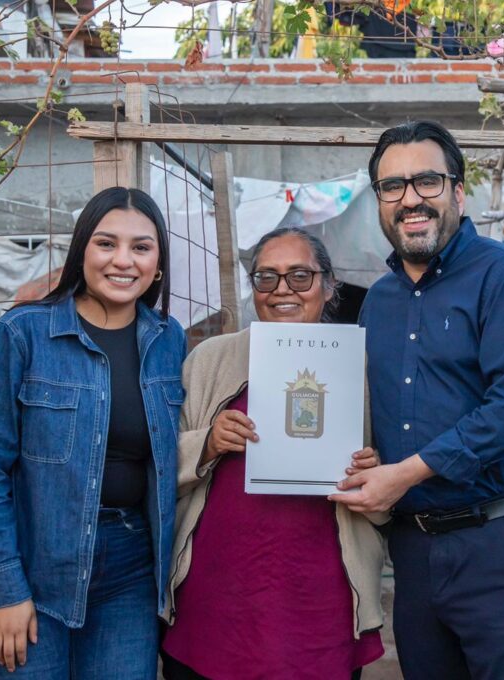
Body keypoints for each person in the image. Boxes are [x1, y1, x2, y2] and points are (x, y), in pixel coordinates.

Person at [331, 121, 504, 679]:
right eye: (392, 186)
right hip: (417, 553)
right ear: (379, 201)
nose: (410, 199)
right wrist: (372, 461)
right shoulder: (381, 303)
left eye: (426, 181)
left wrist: (404, 474)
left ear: (459, 192)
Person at [0, 187, 187, 679]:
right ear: (81, 250)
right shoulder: (22, 335)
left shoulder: (170, 341)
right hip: (34, 563)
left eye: (141, 247)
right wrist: (5, 588)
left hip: (130, 568)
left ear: (159, 264)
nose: (122, 260)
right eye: (106, 244)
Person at [161, 227, 385, 679]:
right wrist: (207, 442)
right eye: (267, 277)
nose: (282, 290)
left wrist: (374, 471)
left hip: (321, 592)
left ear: (328, 286)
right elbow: (160, 457)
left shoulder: (362, 364)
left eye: (300, 276)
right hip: (219, 592)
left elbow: (393, 477)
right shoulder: (211, 359)